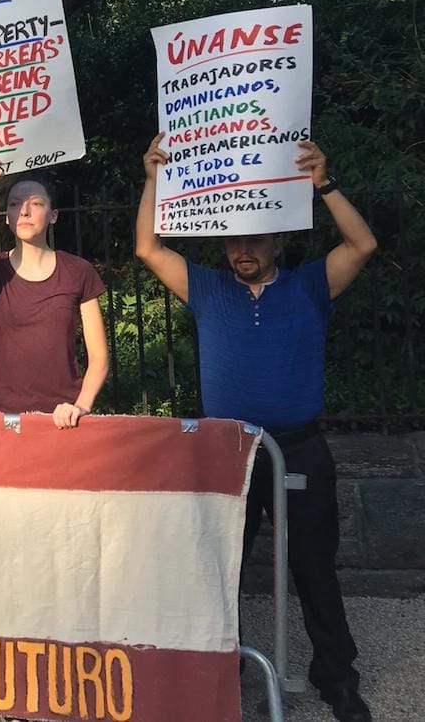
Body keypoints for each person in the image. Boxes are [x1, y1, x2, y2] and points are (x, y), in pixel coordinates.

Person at [136, 134, 376, 722]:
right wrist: (152, 179)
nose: (243, 249)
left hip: (299, 448)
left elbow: (363, 243)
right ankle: (224, 670)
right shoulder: (208, 289)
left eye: (255, 239)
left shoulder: (310, 286)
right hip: (228, 453)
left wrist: (324, 183)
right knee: (222, 570)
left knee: (314, 566)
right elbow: (147, 247)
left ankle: (336, 677)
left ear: (277, 242)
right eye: (233, 240)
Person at [0, 154, 109, 426]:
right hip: (6, 420)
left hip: (63, 419)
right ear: (7, 219)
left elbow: (99, 357)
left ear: (53, 215)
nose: (24, 211)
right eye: (14, 204)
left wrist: (80, 406)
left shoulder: (78, 271)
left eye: (36, 203)